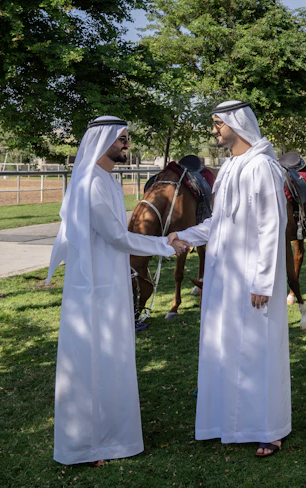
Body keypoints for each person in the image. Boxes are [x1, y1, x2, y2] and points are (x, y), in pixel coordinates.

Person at [46, 115, 183, 466]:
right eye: (121, 138)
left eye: (126, 138)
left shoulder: (107, 179)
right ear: (102, 140)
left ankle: (111, 438)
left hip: (109, 281)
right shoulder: (91, 181)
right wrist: (165, 246)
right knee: (91, 361)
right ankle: (87, 446)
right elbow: (116, 237)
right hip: (93, 287)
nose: (126, 144)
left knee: (110, 360)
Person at [167, 100, 291, 458]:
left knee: (258, 351)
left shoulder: (263, 167)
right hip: (226, 278)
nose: (214, 130)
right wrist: (184, 237)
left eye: (218, 124)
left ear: (236, 124)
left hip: (253, 279)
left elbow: (272, 226)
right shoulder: (230, 167)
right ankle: (228, 423)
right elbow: (219, 224)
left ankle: (269, 429)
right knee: (226, 347)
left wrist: (264, 281)